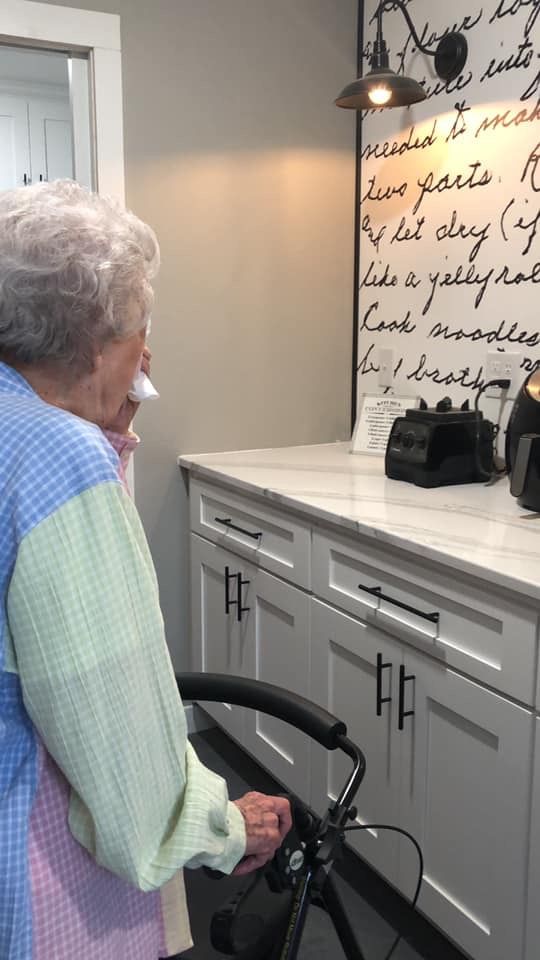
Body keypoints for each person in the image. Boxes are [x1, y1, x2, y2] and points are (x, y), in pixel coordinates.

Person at [0, 179, 291, 960]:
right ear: (97, 341)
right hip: (34, 871)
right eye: (140, 327)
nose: (147, 352)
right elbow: (117, 740)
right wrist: (226, 826)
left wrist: (108, 432)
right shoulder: (59, 459)